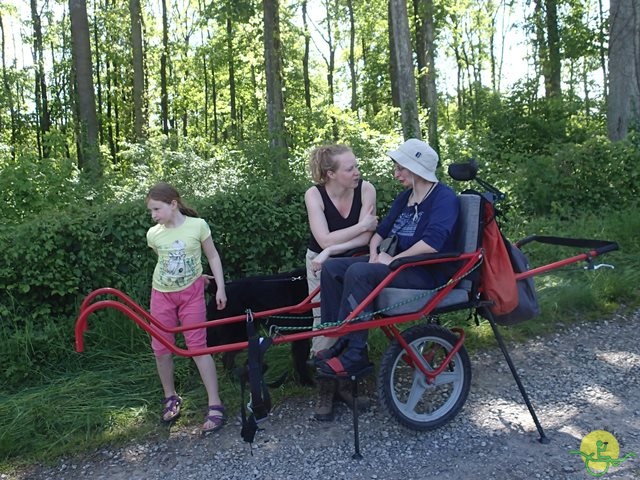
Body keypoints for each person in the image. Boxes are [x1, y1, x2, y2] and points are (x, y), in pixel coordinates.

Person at [313, 138, 460, 379]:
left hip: (425, 271)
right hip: (397, 265)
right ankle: (340, 338)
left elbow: (432, 244)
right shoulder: (406, 197)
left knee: (359, 273)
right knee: (332, 268)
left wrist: (393, 260)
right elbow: (382, 231)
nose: (396, 173)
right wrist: (373, 254)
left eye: (400, 168)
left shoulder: (444, 198)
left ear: (416, 168)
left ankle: (356, 354)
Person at [146, 182, 227, 434]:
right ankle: (170, 396)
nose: (153, 215)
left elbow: (212, 256)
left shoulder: (198, 226)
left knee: (198, 347)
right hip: (162, 296)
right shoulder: (153, 234)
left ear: (173, 204)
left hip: (192, 296)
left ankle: (215, 403)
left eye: (156, 209)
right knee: (161, 348)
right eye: (150, 211)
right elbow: (165, 261)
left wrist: (220, 288)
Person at [304, 144, 377, 420]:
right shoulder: (314, 195)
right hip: (319, 263)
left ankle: (348, 384)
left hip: (355, 260)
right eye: (350, 168)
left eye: (356, 166)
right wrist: (362, 226)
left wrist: (335, 246)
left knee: (356, 315)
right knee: (324, 320)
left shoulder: (366, 189)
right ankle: (325, 387)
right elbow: (323, 239)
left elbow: (367, 240)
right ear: (330, 174)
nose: (357, 172)